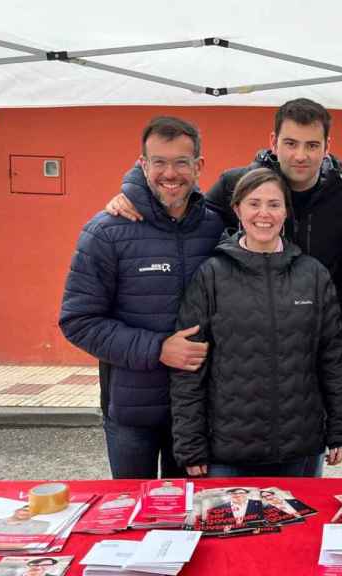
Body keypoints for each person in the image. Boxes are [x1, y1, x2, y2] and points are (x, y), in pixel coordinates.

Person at [60, 116, 224, 479]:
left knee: (191, 515)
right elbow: (78, 321)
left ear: (198, 167)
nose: (171, 173)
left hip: (199, 409)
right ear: (142, 165)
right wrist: (158, 349)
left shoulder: (217, 228)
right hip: (133, 414)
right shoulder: (106, 231)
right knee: (134, 515)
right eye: (159, 162)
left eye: (181, 162)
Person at [170, 168, 342, 478]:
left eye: (274, 204)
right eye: (254, 203)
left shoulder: (312, 274)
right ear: (237, 210)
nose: (264, 214)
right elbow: (189, 369)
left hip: (302, 448)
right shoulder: (211, 275)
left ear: (286, 211)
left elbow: (332, 358)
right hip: (227, 453)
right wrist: (190, 443)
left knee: (301, 528)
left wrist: (340, 425)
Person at [106, 98, 342, 321]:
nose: (300, 155)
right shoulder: (236, 184)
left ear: (326, 146)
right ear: (274, 142)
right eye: (290, 143)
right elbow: (188, 213)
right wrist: (137, 192)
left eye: (312, 145)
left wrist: (316, 295)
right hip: (249, 330)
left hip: (320, 329)